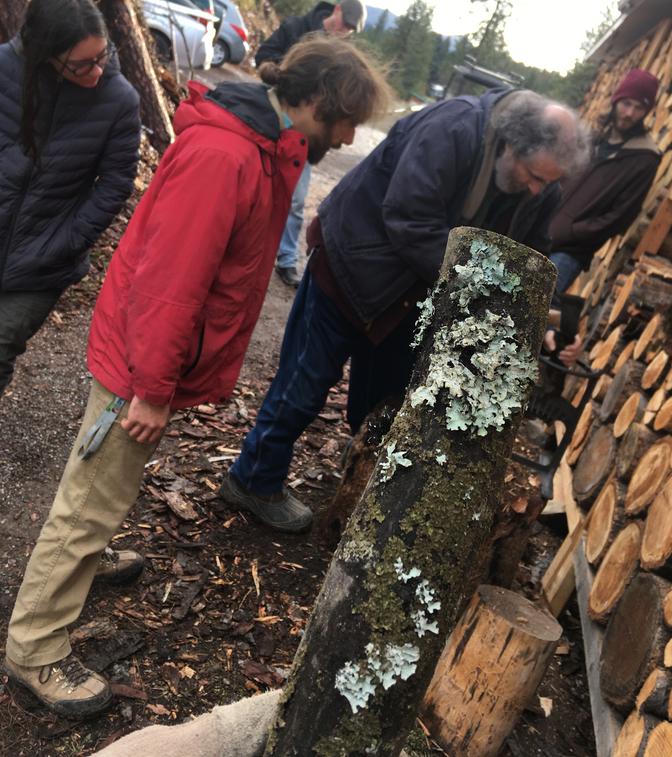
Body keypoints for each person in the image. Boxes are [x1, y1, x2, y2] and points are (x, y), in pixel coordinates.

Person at [3, 37, 391, 718]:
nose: (351, 136)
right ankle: (34, 646)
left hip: (154, 356)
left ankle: (84, 559)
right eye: (346, 120)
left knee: (103, 483)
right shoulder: (227, 155)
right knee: (90, 497)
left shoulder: (269, 144)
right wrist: (152, 388)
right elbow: (171, 282)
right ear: (317, 101)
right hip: (141, 360)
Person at [221, 88, 590, 533]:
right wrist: (479, 285)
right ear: (512, 142)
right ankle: (252, 479)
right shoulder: (452, 128)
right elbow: (409, 218)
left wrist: (541, 319)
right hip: (352, 266)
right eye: (533, 176)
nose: (537, 190)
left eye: (548, 183)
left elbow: (533, 252)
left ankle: (360, 482)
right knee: (303, 385)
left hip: (413, 295)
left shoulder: (540, 186)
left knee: (384, 402)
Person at [0, 0, 141, 396]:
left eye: (102, 57)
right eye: (81, 65)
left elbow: (115, 183)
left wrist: (67, 240)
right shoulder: (5, 69)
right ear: (44, 53)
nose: (96, 72)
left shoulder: (118, 101)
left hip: (42, 262)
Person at [256, 0, 367, 287]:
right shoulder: (297, 27)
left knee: (296, 197)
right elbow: (264, 54)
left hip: (305, 136)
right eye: (345, 24)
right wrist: (283, 75)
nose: (345, 31)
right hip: (273, 120)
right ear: (337, 10)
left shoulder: (342, 54)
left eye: (350, 30)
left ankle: (286, 259)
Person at [548, 68, 661, 300]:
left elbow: (620, 216)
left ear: (646, 112)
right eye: (626, 103)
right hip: (537, 232)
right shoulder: (593, 137)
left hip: (570, 252)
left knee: (533, 305)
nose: (629, 113)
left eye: (639, 108)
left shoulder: (644, 158)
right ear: (616, 100)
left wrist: (570, 231)